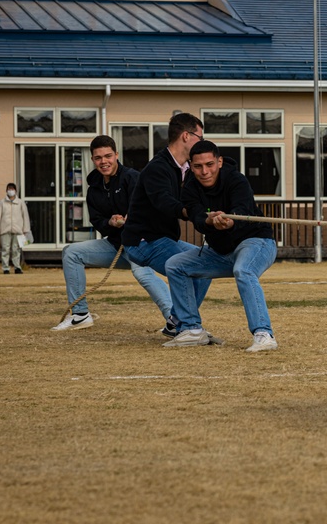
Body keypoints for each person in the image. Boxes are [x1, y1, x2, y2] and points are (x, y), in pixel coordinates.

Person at [163, 141, 278, 350]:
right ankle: (191, 329)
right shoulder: (189, 186)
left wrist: (231, 221)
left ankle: (264, 334)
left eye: (210, 164)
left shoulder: (236, 180)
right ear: (191, 165)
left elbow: (243, 209)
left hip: (256, 241)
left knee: (243, 270)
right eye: (198, 166)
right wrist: (207, 221)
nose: (204, 171)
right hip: (221, 251)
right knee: (174, 265)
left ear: (220, 162)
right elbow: (196, 214)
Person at [53, 135, 173, 331]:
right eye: (98, 158)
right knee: (71, 252)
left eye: (108, 156)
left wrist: (130, 219)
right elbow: (97, 220)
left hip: (139, 243)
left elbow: (151, 208)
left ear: (116, 155)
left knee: (142, 273)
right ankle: (80, 315)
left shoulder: (133, 178)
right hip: (116, 245)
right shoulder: (93, 188)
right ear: (92, 159)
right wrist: (110, 222)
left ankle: (176, 320)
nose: (104, 162)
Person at [121, 113, 210, 338]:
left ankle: (176, 322)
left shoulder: (186, 169)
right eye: (200, 137)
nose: (203, 142)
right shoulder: (157, 168)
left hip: (164, 238)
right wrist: (194, 213)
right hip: (143, 241)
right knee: (187, 268)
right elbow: (165, 203)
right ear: (186, 136)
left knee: (208, 264)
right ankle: (190, 328)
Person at [0, 182, 31, 274]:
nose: (11, 191)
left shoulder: (21, 203)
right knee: (5, 249)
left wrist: (26, 229)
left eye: (12, 189)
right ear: (6, 190)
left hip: (18, 229)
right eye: (9, 189)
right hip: (5, 229)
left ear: (16, 191)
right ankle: (5, 268)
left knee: (16, 249)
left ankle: (17, 267)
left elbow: (25, 216)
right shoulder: (2, 203)